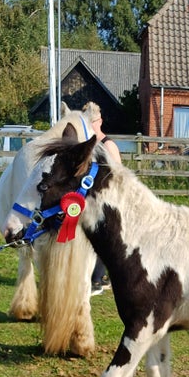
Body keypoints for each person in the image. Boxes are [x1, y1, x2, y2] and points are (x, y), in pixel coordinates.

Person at [84, 102, 121, 296]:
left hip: (106, 198)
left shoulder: (108, 145)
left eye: (94, 121)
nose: (91, 125)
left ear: (100, 121)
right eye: (88, 121)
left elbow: (118, 173)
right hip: (88, 198)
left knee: (102, 238)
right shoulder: (86, 145)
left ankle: (97, 279)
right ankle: (98, 276)